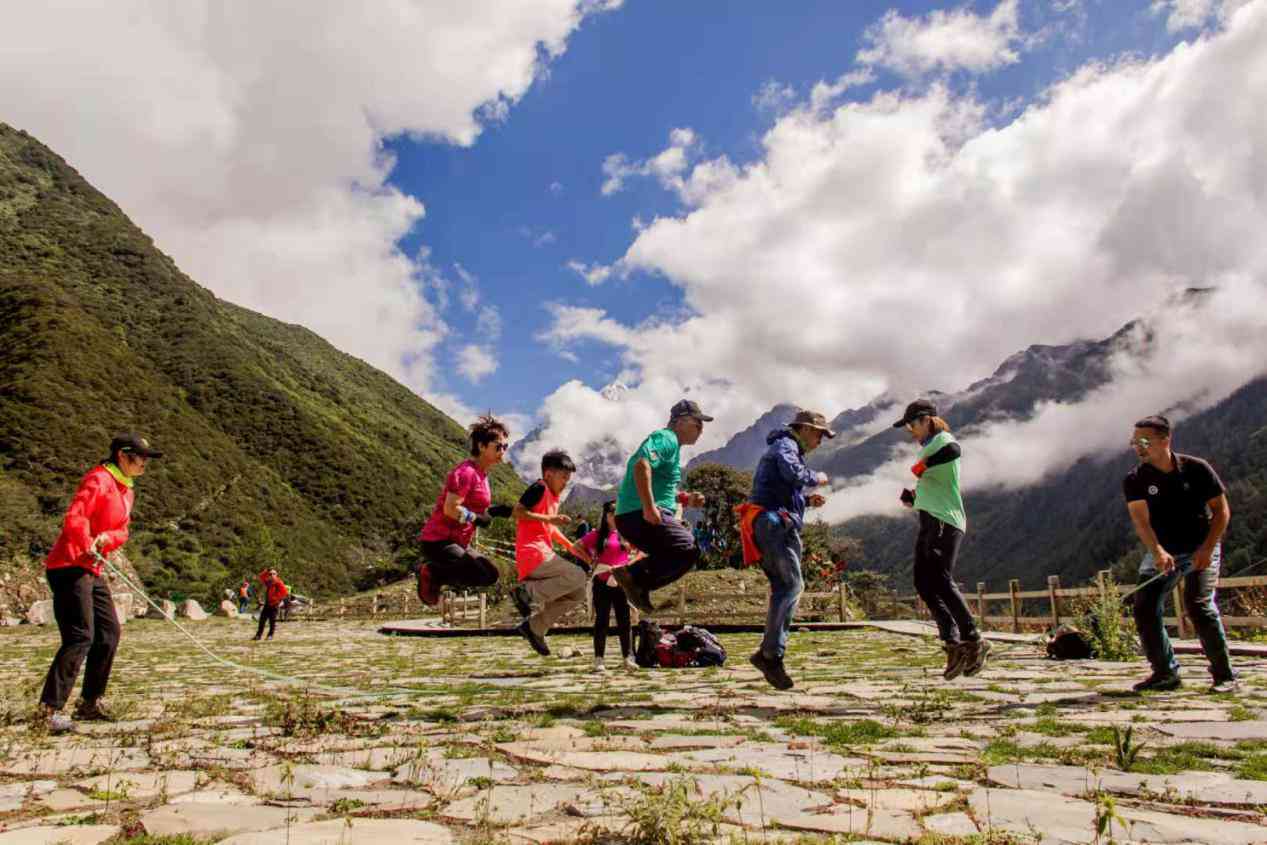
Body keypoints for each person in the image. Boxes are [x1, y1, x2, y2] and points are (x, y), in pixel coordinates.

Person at [40, 433, 162, 733]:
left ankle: (89, 702)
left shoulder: (126, 489)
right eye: (140, 457)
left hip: (90, 570)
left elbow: (123, 531)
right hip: (69, 565)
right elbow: (75, 518)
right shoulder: (98, 479)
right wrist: (86, 542)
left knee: (109, 633)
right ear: (122, 455)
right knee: (81, 635)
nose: (145, 463)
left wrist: (108, 539)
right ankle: (48, 710)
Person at [1124, 415, 1236, 693]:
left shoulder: (1197, 469)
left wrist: (1208, 548)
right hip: (1164, 549)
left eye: (1145, 441)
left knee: (1198, 605)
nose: (1139, 447)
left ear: (1165, 439)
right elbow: (1141, 521)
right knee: (1144, 606)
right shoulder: (1135, 479)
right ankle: (1165, 673)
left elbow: (1221, 511)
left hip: (1201, 544)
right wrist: (1158, 551)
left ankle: (1225, 677)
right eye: (1134, 442)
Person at [894, 399, 990, 681]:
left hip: (943, 521)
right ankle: (953, 643)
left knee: (940, 579)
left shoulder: (942, 439)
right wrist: (914, 497)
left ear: (925, 420)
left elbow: (954, 450)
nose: (911, 430)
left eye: (912, 424)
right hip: (930, 519)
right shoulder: (928, 446)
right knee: (923, 583)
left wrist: (922, 468)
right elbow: (939, 483)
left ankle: (974, 640)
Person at [740, 410, 834, 690]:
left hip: (772, 520)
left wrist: (805, 502)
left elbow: (781, 489)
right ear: (804, 429)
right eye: (819, 434)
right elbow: (793, 473)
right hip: (774, 524)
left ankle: (769, 653)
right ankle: (770, 654)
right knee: (792, 586)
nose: (820, 440)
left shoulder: (785, 446)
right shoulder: (786, 446)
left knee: (785, 587)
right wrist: (817, 477)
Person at [609, 400, 710, 614]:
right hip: (637, 513)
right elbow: (641, 465)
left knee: (683, 553)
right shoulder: (667, 438)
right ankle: (632, 577)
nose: (701, 430)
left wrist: (685, 498)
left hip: (634, 515)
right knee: (687, 547)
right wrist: (648, 507)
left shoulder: (673, 448)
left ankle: (638, 585)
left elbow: (660, 487)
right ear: (680, 421)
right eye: (697, 424)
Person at [415, 416, 515, 606]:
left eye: (505, 446)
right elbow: (450, 509)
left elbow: (477, 508)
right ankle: (431, 572)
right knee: (475, 569)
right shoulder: (466, 472)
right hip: (438, 541)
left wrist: (494, 512)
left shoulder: (483, 475)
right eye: (498, 446)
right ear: (481, 446)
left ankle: (439, 577)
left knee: (490, 575)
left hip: (459, 541)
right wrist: (476, 518)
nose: (502, 451)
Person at [513, 449, 586, 655]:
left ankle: (535, 627)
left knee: (578, 593)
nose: (565, 483)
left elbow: (551, 530)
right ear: (548, 474)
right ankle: (526, 593)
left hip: (542, 552)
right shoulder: (539, 487)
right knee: (578, 575)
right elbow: (517, 512)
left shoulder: (553, 498)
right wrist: (549, 519)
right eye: (563, 477)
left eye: (568, 479)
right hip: (532, 552)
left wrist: (572, 547)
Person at [580, 501, 638, 673]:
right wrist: (591, 561)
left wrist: (628, 566)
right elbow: (576, 547)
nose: (614, 515)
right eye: (611, 512)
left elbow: (641, 552)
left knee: (624, 621)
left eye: (617, 511)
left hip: (622, 582)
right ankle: (599, 660)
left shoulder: (626, 534)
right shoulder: (597, 535)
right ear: (605, 515)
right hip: (602, 581)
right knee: (602, 621)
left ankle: (628, 658)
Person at [254, 568, 288, 641]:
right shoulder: (269, 582)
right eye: (270, 574)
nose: (272, 575)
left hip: (274, 604)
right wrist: (266, 571)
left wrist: (276, 599)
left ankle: (270, 635)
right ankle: (258, 635)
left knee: (272, 621)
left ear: (276, 575)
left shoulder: (279, 582)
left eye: (274, 574)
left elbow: (284, 592)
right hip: (267, 604)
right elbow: (261, 577)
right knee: (262, 620)